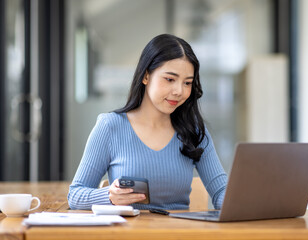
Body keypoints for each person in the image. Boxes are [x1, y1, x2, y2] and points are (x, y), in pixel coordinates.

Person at [68, 34, 227, 210]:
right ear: (146, 76)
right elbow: (75, 195)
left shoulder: (194, 132)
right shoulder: (110, 126)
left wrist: (243, 201)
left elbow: (221, 191)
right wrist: (109, 196)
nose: (179, 91)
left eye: (187, 83)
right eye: (170, 79)